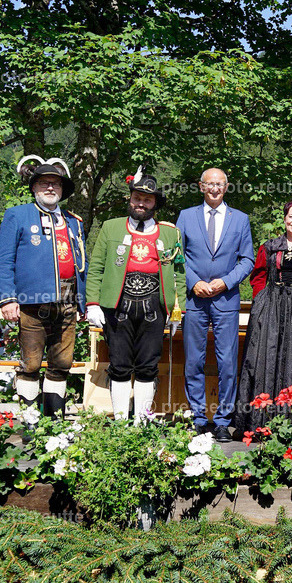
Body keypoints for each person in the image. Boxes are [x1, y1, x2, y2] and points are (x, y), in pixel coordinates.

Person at [85, 171, 186, 421]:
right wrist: (93, 304)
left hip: (154, 307)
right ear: (130, 199)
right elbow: (96, 267)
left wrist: (178, 311)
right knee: (119, 364)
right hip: (118, 306)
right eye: (137, 198)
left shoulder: (170, 234)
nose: (141, 203)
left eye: (147, 200)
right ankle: (121, 424)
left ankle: (141, 422)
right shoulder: (111, 227)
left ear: (155, 204)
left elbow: (180, 274)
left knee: (148, 366)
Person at [0, 156, 87, 421]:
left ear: (62, 190)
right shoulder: (17, 215)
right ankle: (30, 424)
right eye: (44, 183)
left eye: (55, 184)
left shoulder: (73, 221)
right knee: (31, 364)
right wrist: (7, 299)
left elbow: (82, 263)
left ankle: (54, 423)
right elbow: (3, 260)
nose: (50, 188)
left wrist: (84, 302)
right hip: (30, 304)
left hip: (68, 303)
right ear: (34, 188)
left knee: (61, 364)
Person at [236, 199, 292, 433]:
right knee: (265, 357)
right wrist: (260, 302)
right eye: (291, 216)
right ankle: (260, 420)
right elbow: (258, 276)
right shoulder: (270, 246)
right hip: (272, 309)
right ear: (285, 218)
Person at [176, 168, 255, 441]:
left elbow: (247, 259)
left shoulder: (240, 219)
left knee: (227, 363)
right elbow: (176, 256)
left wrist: (226, 282)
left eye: (219, 184)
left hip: (226, 299)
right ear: (201, 187)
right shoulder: (186, 217)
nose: (214, 189)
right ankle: (199, 418)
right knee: (194, 361)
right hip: (194, 299)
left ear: (226, 186)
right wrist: (193, 281)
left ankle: (222, 420)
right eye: (209, 184)